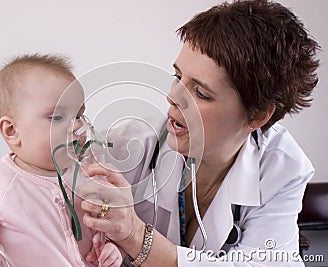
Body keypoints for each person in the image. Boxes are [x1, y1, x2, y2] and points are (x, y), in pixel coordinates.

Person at [79, 0, 320, 266]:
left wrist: (135, 236)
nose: (173, 96)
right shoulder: (131, 143)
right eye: (177, 76)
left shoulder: (281, 167)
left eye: (201, 93)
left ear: (257, 115)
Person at [0, 54, 122, 267]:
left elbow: (107, 224)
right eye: (56, 117)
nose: (76, 127)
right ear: (12, 131)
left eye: (78, 116)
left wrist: (111, 247)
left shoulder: (87, 173)